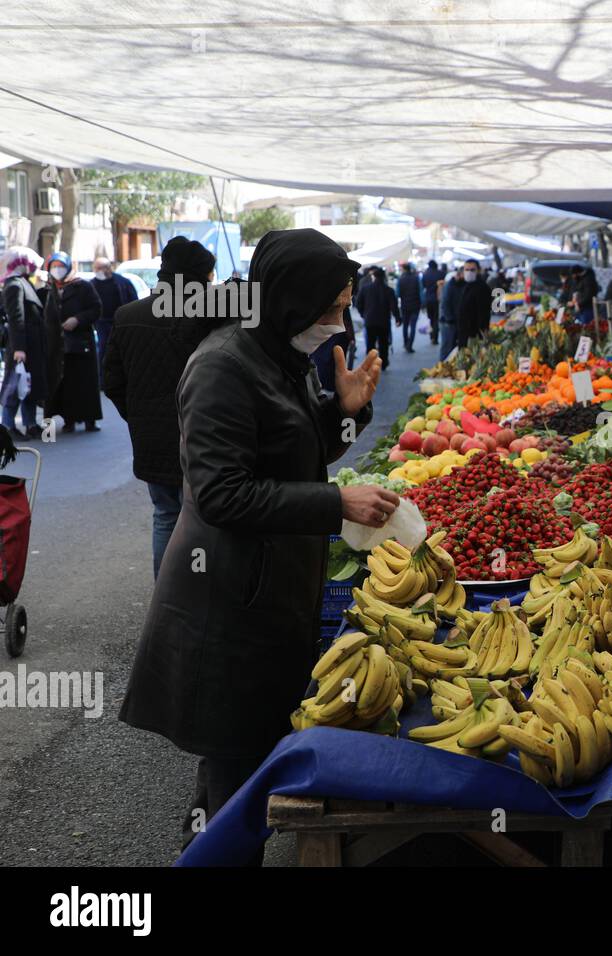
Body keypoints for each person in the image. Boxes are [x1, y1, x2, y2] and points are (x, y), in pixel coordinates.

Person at [119, 228, 394, 861]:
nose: (339, 321)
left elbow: (302, 452)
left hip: (266, 596)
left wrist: (347, 412)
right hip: (227, 606)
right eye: (331, 308)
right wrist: (336, 503)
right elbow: (221, 494)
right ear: (291, 299)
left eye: (345, 306)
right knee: (234, 784)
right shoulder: (223, 365)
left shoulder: (279, 355)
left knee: (242, 769)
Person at [103, 237, 218, 578]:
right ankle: (201, 598)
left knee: (166, 515)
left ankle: (166, 599)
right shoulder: (211, 315)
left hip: (153, 437)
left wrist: (139, 415)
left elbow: (111, 381)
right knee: (209, 517)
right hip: (207, 435)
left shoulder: (128, 316)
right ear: (198, 277)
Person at [40, 251, 103, 432]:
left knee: (84, 383)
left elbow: (96, 308)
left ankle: (90, 419)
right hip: (56, 345)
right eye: (54, 266)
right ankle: (69, 420)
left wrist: (78, 319)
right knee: (63, 384)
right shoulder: (48, 289)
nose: (57, 270)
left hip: (80, 342)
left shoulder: (82, 286)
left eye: (61, 266)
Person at [1, 248, 48, 438]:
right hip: (22, 347)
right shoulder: (14, 285)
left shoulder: (23, 282)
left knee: (28, 386)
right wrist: (19, 348)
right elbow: (16, 319)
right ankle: (7, 426)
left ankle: (30, 423)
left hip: (30, 346)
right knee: (15, 386)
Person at [90, 257, 139, 378]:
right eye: (97, 268)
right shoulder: (91, 284)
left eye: (102, 268)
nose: (99, 271)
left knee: (121, 350)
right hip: (101, 323)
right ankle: (103, 379)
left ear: (109, 268)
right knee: (103, 350)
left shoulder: (123, 282)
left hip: (120, 322)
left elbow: (133, 302)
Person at [353, 265, 399, 367]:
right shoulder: (389, 290)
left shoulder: (365, 289)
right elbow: (394, 306)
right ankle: (384, 362)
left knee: (370, 343)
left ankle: (370, 363)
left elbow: (358, 303)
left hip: (370, 320)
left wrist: (363, 314)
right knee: (383, 343)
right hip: (384, 321)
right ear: (383, 277)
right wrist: (397, 318)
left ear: (374, 277)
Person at [456, 258, 492, 350]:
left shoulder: (483, 288)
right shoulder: (465, 285)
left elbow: (484, 315)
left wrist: (482, 337)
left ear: (478, 271)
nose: (469, 272)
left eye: (472, 270)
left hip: (474, 336)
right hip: (463, 332)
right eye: (466, 270)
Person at [438, 264, 464, 361]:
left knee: (451, 347)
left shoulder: (459, 285)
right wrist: (450, 319)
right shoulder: (450, 286)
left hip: (453, 321)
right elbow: (445, 303)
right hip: (447, 322)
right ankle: (442, 368)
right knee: (447, 348)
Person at [396, 261, 422, 353]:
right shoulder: (416, 278)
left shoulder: (400, 279)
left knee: (405, 325)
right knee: (413, 326)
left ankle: (405, 343)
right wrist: (421, 304)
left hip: (405, 305)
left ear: (404, 269)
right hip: (415, 305)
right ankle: (410, 345)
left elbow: (397, 293)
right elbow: (420, 292)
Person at [422, 260, 444, 345]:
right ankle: (435, 337)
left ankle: (431, 336)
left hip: (428, 298)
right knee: (436, 318)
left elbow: (423, 285)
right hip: (437, 299)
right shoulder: (440, 273)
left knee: (431, 318)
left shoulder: (425, 274)